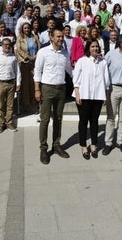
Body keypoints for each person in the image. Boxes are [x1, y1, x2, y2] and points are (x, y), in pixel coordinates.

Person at [34, 28, 73, 164]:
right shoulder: (43, 52)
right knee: (45, 119)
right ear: (51, 37)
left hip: (61, 89)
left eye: (62, 37)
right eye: (58, 37)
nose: (60, 39)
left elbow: (70, 70)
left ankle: (56, 145)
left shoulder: (64, 53)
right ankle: (43, 148)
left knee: (58, 118)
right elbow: (37, 72)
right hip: (47, 88)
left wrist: (80, 81)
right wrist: (37, 89)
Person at [73, 39, 110, 159]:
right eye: (92, 46)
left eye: (97, 46)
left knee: (94, 122)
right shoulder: (82, 61)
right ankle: (84, 146)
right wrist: (77, 94)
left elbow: (106, 80)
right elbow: (76, 78)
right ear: (88, 48)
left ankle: (94, 145)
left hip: (98, 96)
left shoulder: (102, 62)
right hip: (84, 96)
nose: (95, 48)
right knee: (83, 121)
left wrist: (105, 95)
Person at [0, 38, 21, 132]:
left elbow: (18, 71)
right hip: (0, 83)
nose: (7, 46)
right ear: (2, 46)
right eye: (5, 44)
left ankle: (9, 122)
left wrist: (18, 83)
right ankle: (1, 123)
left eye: (9, 44)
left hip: (11, 83)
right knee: (0, 105)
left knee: (10, 105)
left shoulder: (13, 57)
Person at [14, 22, 39, 114]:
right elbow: (19, 50)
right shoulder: (20, 38)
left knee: (34, 84)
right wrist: (27, 57)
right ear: (22, 29)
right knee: (25, 85)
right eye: (25, 28)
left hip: (35, 63)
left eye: (28, 28)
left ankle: (34, 104)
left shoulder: (34, 37)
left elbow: (39, 48)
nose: (27, 30)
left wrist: (36, 57)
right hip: (25, 63)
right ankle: (25, 105)